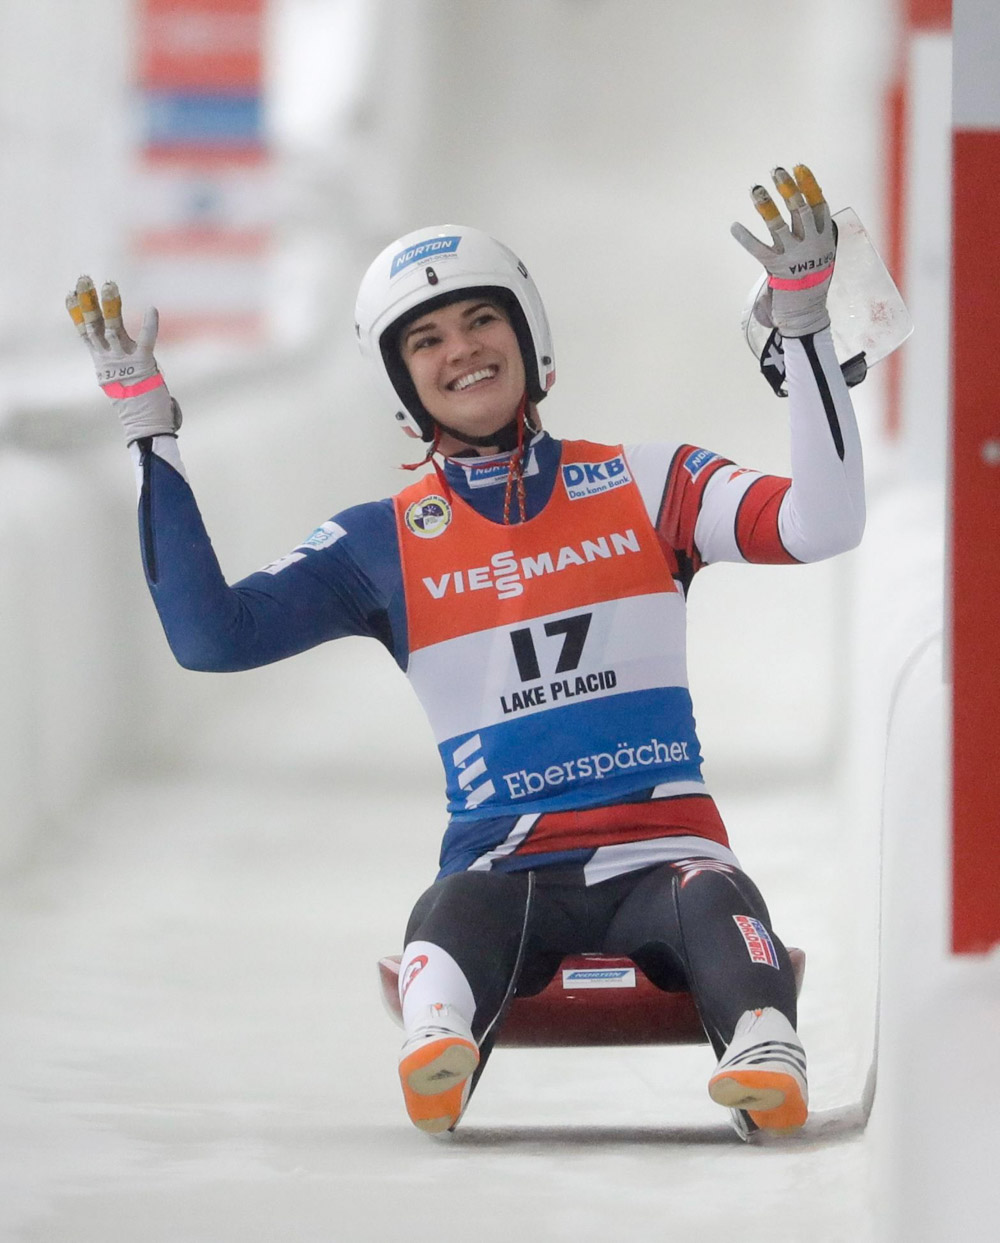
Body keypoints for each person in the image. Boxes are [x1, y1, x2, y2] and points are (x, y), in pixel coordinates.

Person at [67, 163, 862, 1142]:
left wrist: (806, 332)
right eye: (427, 340)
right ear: (403, 384)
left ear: (528, 338)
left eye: (481, 321)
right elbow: (209, 638)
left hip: (669, 857)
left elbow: (821, 522)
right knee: (451, 909)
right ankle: (436, 1035)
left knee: (719, 899)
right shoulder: (382, 541)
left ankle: (763, 1050)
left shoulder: (649, 481)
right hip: (505, 871)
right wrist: (151, 434)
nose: (463, 351)